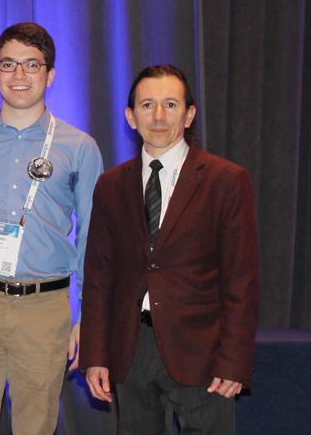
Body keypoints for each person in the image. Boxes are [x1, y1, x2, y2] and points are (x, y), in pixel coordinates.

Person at [79, 64, 260, 434]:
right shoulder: (110, 186)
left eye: (171, 105)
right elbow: (99, 278)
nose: (158, 116)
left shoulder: (227, 180)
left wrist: (235, 361)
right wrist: (95, 355)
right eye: (147, 105)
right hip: (131, 351)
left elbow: (242, 281)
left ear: (189, 114)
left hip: (204, 353)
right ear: (131, 116)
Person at [0, 22, 103, 435]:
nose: (19, 76)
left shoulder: (79, 147)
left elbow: (92, 237)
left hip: (44, 308)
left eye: (31, 65)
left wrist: (86, 317)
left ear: (50, 75)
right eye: (8, 64)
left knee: (36, 426)